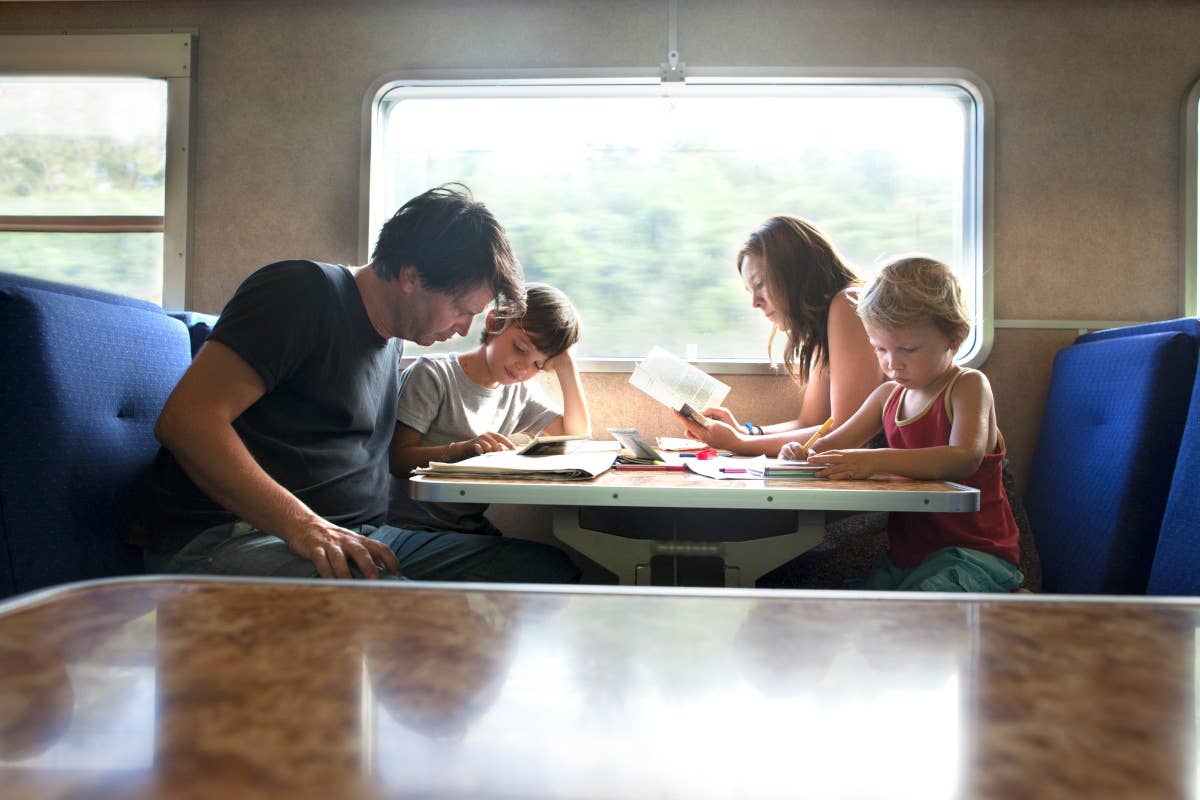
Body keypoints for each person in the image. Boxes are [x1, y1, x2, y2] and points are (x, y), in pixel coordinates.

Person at [125, 184, 580, 583]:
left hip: (357, 535)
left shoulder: (391, 343)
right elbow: (186, 420)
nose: (464, 329)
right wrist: (305, 526)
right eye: (461, 310)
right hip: (234, 536)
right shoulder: (301, 292)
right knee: (401, 613)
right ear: (411, 277)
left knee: (542, 573)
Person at [779, 256, 1023, 593]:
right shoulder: (887, 396)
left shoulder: (967, 386)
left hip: (975, 555)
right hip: (910, 558)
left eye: (908, 349)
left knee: (914, 614)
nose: (892, 363)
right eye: (880, 349)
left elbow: (964, 457)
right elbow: (835, 441)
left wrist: (874, 460)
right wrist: (803, 453)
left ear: (955, 336)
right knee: (864, 607)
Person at [388, 282, 590, 535]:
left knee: (559, 567)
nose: (523, 368)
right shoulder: (433, 375)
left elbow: (576, 436)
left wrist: (566, 366)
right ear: (494, 323)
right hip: (414, 528)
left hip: (468, 528)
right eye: (520, 348)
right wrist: (462, 450)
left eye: (538, 365)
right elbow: (396, 459)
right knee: (556, 569)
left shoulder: (517, 392)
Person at [678, 215, 883, 456]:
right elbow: (809, 423)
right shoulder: (823, 323)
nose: (755, 302)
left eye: (761, 283)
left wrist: (738, 443)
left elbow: (846, 435)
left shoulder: (848, 304)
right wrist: (747, 432)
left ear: (794, 273)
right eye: (750, 290)